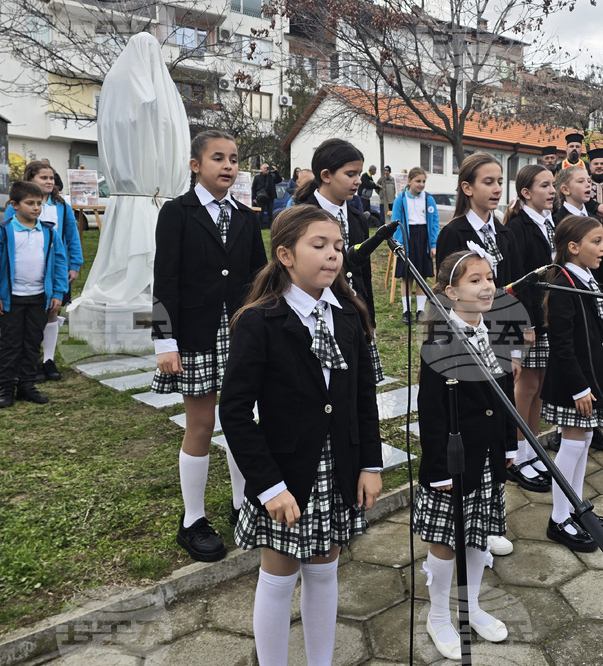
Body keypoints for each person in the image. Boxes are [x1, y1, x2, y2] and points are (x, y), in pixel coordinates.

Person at [219, 205, 382, 666]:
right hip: (286, 476)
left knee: (325, 569)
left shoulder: (349, 314)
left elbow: (361, 398)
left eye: (337, 246)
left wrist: (370, 463)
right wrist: (269, 486)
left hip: (339, 468)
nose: (334, 255)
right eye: (319, 245)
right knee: (280, 572)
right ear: (286, 255)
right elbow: (233, 412)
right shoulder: (260, 320)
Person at [151, 130, 268, 562]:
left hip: (240, 335)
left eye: (234, 159)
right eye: (218, 158)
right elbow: (164, 280)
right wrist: (165, 340)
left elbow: (260, 279)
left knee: (240, 419)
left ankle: (243, 505)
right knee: (200, 424)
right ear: (195, 165)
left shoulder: (245, 216)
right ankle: (193, 519)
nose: (228, 166)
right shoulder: (176, 213)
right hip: (195, 336)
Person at [414, 248, 515, 660]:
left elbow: (507, 395)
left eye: (489, 277)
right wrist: (438, 468)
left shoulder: (497, 332)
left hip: (488, 455)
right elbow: (430, 411)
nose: (487, 285)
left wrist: (509, 445)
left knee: (477, 537)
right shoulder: (441, 341)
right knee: (447, 541)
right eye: (475, 280)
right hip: (453, 460)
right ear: (452, 293)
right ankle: (438, 616)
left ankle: (469, 606)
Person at [541, 215, 603, 552]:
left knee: (584, 441)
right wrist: (580, 388)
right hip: (572, 385)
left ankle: (576, 508)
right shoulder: (562, 283)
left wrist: (602, 381)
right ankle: (559, 518)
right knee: (571, 445)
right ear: (573, 247)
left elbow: (598, 338)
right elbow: (562, 344)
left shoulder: (586, 279)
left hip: (589, 381)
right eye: (596, 242)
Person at [0, 180, 67, 408]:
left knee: (32, 342)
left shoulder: (49, 233)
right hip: (11, 299)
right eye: (30, 203)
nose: (36, 207)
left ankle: (27, 385)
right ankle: (7, 387)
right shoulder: (2, 232)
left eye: (39, 203)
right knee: (11, 343)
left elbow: (60, 262)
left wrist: (57, 292)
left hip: (39, 298)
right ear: (15, 205)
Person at [303, 138, 383, 381]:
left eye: (359, 173)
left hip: (355, 313)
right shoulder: (301, 215)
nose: (358, 181)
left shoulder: (358, 218)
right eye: (350, 174)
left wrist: (369, 317)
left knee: (360, 386)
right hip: (319, 316)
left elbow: (363, 272)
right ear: (326, 175)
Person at [2, 160, 83, 382]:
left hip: (54, 268)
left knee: (52, 311)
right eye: (43, 178)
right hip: (27, 270)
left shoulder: (61, 206)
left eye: (51, 178)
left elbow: (71, 236)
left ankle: (48, 360)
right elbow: (6, 236)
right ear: (31, 179)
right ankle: (28, 362)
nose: (49, 182)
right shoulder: (15, 206)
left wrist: (74, 264)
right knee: (29, 316)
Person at [503, 164, 557, 493]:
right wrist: (525, 323)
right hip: (529, 319)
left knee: (539, 388)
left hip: (548, 317)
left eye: (552, 185)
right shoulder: (520, 228)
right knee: (525, 387)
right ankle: (517, 455)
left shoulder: (549, 222)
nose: (552, 191)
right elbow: (519, 280)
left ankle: (533, 449)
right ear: (526, 193)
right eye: (544, 186)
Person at [435, 153, 518, 286]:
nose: (497, 189)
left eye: (500, 182)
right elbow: (446, 287)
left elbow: (514, 282)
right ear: (467, 188)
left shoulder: (506, 234)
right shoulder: (452, 233)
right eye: (488, 182)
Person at [391, 167, 440, 325]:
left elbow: (434, 223)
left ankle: (420, 310)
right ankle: (407, 311)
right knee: (406, 277)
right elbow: (396, 222)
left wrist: (433, 244)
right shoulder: (401, 199)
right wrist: (399, 244)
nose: (421, 184)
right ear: (409, 181)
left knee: (421, 277)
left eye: (424, 181)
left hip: (423, 238)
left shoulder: (428, 199)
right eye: (418, 181)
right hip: (407, 238)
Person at [252, 163, 281, 230]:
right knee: (260, 213)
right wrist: (253, 198)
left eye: (268, 168)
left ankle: (270, 226)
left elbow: (279, 180)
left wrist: (275, 171)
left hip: (270, 197)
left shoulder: (272, 176)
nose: (266, 169)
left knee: (270, 213)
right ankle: (260, 226)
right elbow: (253, 188)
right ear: (261, 169)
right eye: (265, 168)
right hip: (260, 197)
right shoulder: (257, 177)